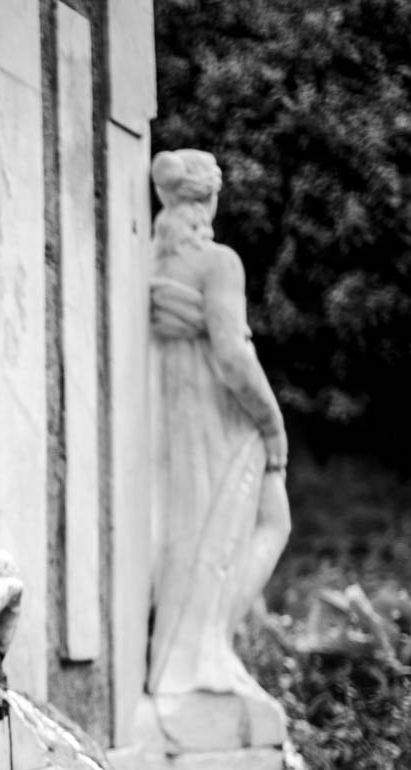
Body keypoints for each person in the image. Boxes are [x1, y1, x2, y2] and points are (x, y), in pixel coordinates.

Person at [147, 149, 291, 705]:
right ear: (207, 199)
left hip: (174, 409)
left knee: (193, 531)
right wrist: (273, 423)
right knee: (266, 523)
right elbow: (232, 356)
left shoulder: (149, 261)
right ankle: (208, 650)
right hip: (220, 412)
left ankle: (196, 652)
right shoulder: (219, 263)